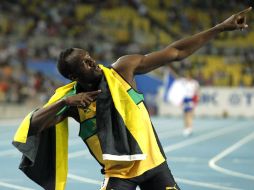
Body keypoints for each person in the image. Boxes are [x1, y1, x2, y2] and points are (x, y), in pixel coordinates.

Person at [13, 7, 252, 190]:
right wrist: (64, 104)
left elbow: (176, 52)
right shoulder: (72, 101)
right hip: (119, 174)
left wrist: (220, 27)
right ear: (74, 76)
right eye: (85, 63)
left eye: (89, 56)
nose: (92, 61)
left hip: (155, 166)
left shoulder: (122, 70)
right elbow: (32, 126)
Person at [164, 67, 199, 137]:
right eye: (186, 76)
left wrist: (196, 101)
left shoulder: (194, 83)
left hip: (190, 99)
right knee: (185, 115)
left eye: (188, 76)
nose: (187, 77)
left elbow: (197, 92)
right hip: (185, 99)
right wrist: (171, 71)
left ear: (191, 76)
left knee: (189, 114)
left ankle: (189, 128)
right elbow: (176, 78)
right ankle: (186, 128)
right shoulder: (184, 82)